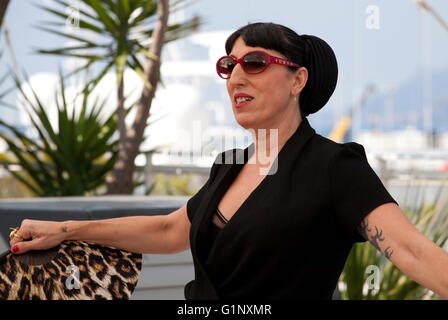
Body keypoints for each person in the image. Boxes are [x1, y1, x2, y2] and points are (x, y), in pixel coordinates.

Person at [9, 22, 448, 300]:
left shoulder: (335, 167)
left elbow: (410, 249)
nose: (236, 75)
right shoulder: (230, 165)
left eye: (255, 62)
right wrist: (64, 229)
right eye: (229, 64)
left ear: (298, 79)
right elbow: (169, 229)